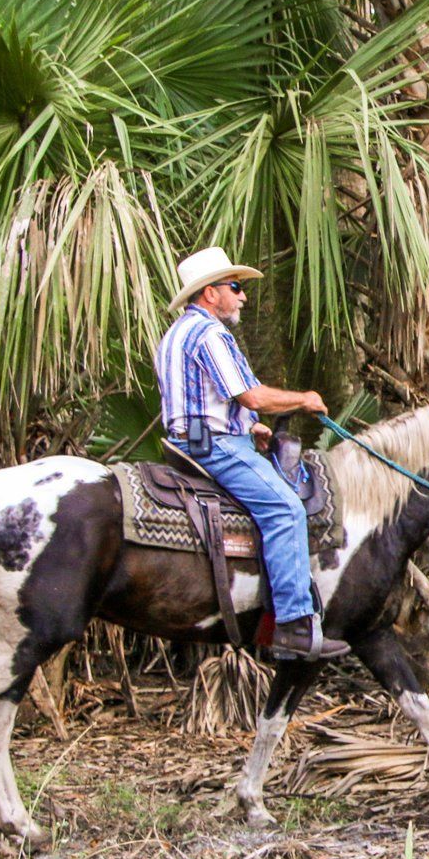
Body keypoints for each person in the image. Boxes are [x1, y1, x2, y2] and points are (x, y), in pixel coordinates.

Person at [155, 247, 348, 660]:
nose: (243, 297)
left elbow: (203, 399)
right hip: (213, 447)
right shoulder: (209, 333)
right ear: (210, 293)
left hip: (191, 439)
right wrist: (305, 399)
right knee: (285, 509)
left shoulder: (175, 333)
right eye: (236, 287)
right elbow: (252, 395)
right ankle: (296, 626)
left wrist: (248, 425)